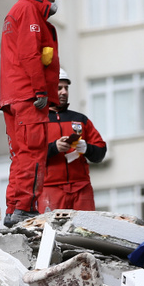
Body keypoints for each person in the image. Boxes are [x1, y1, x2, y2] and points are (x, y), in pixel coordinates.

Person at [0, 0, 65, 227]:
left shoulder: (19, 11)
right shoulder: (29, 11)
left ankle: (13, 210)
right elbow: (30, 54)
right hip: (28, 96)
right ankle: (25, 209)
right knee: (34, 154)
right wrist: (40, 89)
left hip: (14, 96)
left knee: (21, 155)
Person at [39, 69, 107, 212]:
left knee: (86, 233)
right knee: (53, 233)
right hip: (50, 189)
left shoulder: (80, 119)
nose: (64, 92)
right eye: (59, 88)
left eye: (66, 88)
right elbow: (28, 156)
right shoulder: (37, 122)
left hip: (81, 189)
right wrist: (54, 147)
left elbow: (100, 152)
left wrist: (86, 148)